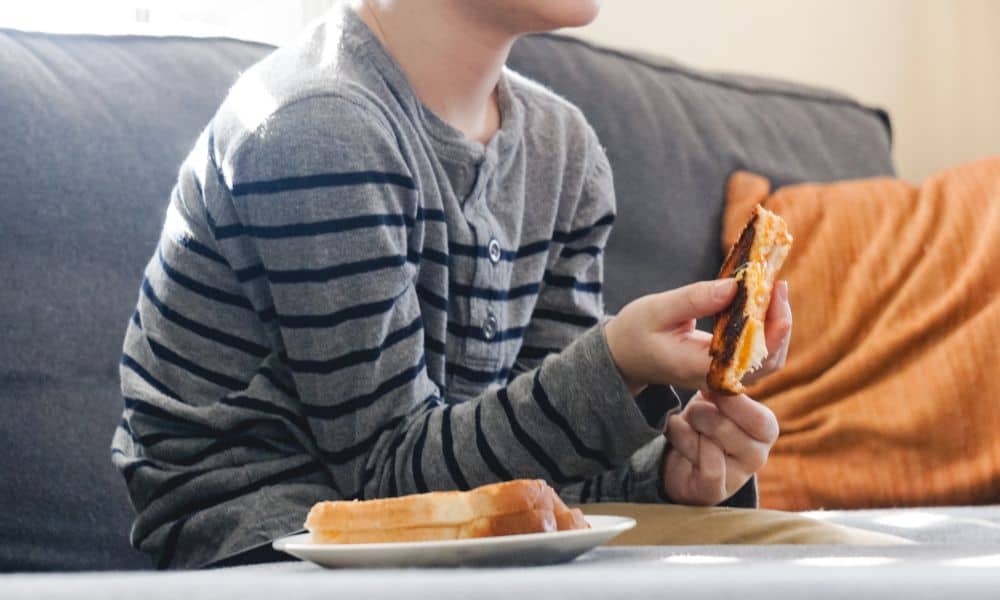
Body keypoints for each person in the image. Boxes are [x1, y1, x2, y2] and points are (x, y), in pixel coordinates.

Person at [111, 0, 793, 569]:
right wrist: (612, 367)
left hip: (436, 533)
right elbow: (382, 490)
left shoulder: (564, 154)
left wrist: (668, 475)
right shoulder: (314, 123)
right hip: (265, 540)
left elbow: (529, 474)